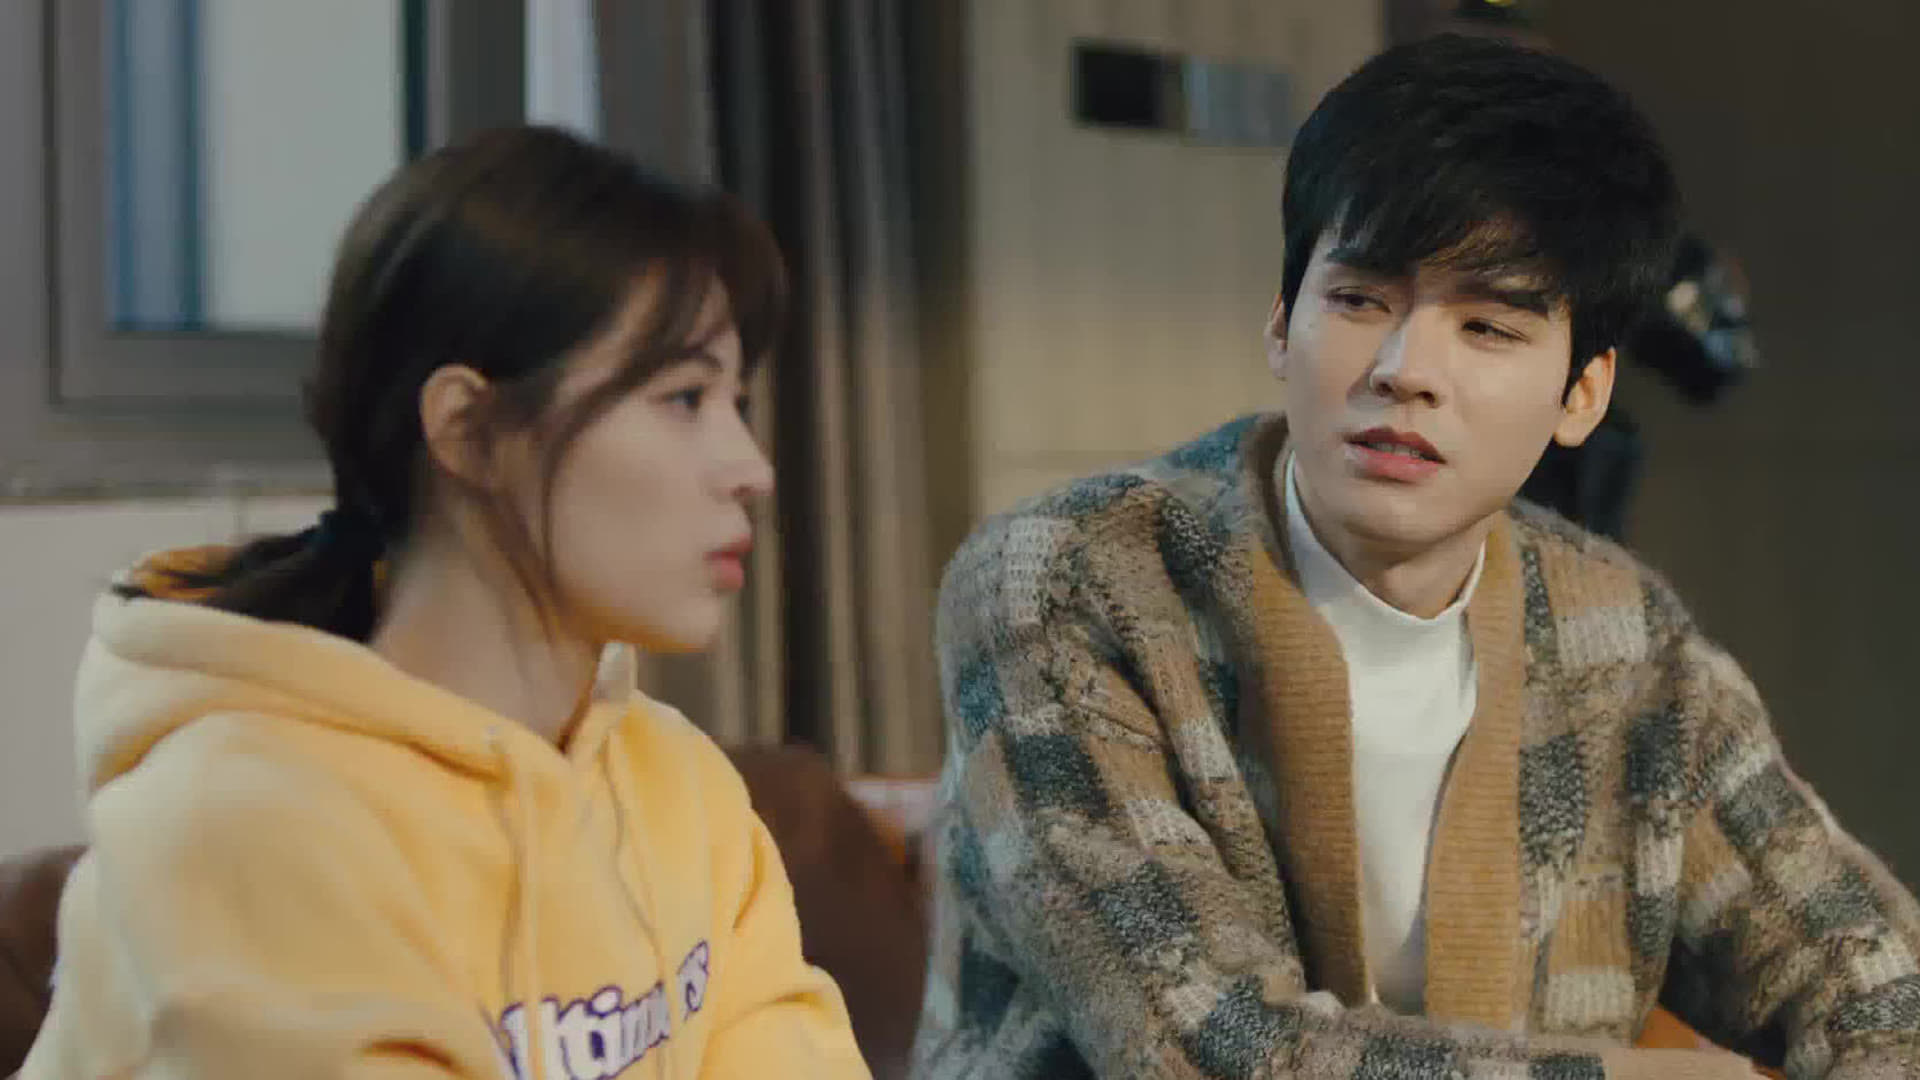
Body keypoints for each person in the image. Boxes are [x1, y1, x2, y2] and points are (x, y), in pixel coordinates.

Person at [911, 34, 1920, 1080]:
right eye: (1360, 301)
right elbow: (1202, 1045)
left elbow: (1878, 984)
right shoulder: (1068, 583)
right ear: (1281, 324)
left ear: (1582, 394)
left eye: (1488, 327)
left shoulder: (1623, 647)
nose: (1405, 370)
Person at [21, 126, 869, 1080]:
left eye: (736, 403)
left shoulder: (680, 787)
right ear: (469, 429)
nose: (751, 469)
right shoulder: (239, 824)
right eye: (683, 399)